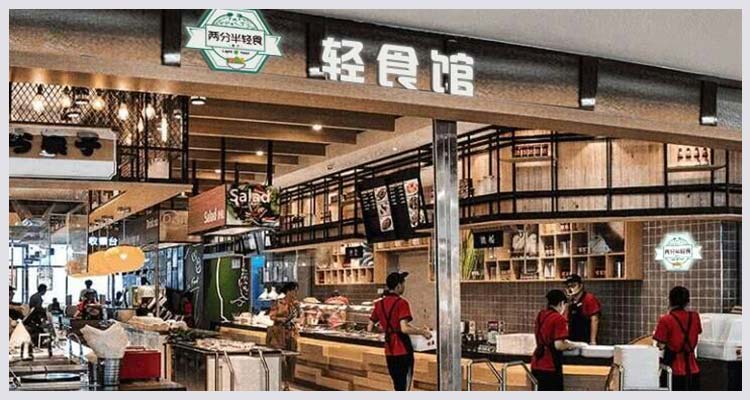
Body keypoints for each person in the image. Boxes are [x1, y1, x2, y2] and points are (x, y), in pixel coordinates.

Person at [367, 272, 432, 391]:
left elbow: (370, 328)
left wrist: (386, 329)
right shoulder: (402, 303)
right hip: (402, 349)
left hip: (389, 350)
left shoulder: (379, 304)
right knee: (404, 387)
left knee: (397, 385)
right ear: (398, 286)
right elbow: (404, 328)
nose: (404, 287)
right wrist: (423, 332)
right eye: (403, 284)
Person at [531, 289, 585, 391]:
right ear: (561, 303)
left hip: (536, 363)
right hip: (550, 365)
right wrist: (577, 345)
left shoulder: (541, 315)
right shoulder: (559, 319)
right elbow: (559, 345)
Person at [653, 286, 702, 391]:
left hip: (673, 370)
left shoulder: (666, 320)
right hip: (693, 369)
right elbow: (696, 334)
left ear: (670, 300)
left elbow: (660, 345)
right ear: (687, 301)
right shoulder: (695, 317)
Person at [267, 282, 301, 391]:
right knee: (281, 359)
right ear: (288, 291)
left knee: (291, 359)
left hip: (292, 333)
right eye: (294, 290)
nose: (296, 293)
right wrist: (282, 319)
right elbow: (272, 316)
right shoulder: (279, 302)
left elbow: (299, 317)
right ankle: (279, 381)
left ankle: (287, 384)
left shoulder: (296, 304)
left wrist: (298, 321)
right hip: (279, 333)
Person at [564, 274, 602, 344]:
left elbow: (595, 320)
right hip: (572, 339)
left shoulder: (589, 299)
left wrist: (593, 340)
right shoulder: (570, 301)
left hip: (585, 339)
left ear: (581, 286)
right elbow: (566, 319)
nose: (570, 289)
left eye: (573, 286)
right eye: (568, 286)